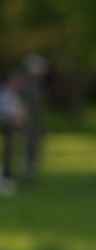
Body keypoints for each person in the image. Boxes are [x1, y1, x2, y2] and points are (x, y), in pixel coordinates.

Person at [19, 54, 46, 182]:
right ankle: (26, 173)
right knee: (27, 148)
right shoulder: (25, 85)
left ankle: (31, 172)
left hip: (35, 122)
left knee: (35, 148)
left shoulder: (37, 85)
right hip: (26, 122)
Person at [0, 74, 25, 196]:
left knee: (10, 154)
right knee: (7, 153)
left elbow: (18, 111)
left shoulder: (14, 95)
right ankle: (5, 179)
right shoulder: (5, 94)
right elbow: (5, 111)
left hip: (12, 128)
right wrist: (14, 118)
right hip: (7, 127)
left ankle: (8, 178)